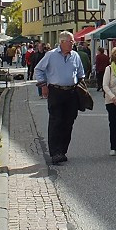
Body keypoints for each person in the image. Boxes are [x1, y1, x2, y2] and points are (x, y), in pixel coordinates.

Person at [34, 31, 86, 165]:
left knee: (69, 122)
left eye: (73, 41)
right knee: (56, 122)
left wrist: (80, 85)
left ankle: (62, 151)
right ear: (62, 42)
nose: (73, 43)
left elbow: (81, 73)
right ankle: (55, 152)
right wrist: (43, 85)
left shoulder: (75, 56)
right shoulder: (51, 55)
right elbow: (38, 70)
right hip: (56, 92)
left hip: (71, 93)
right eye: (71, 41)